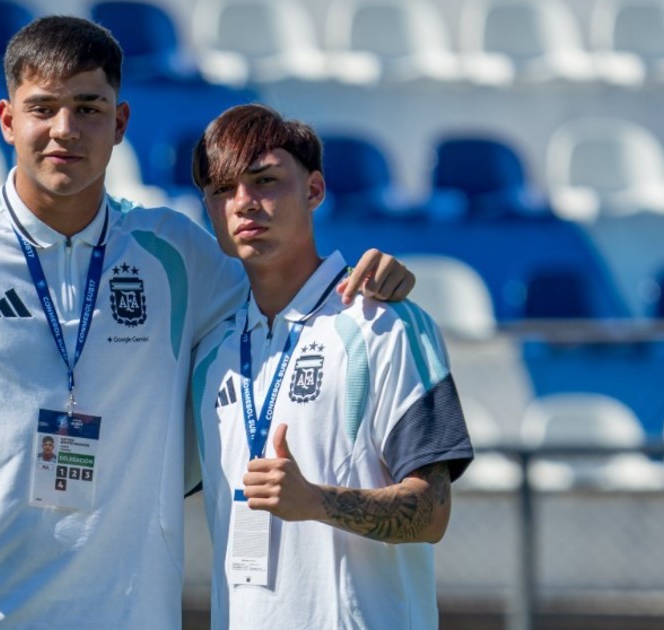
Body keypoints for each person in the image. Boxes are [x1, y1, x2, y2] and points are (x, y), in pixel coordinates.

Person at [0, 16, 414, 628]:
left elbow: (292, 299)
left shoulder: (175, 252)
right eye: (42, 108)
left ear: (120, 123)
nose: (65, 130)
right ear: (7, 120)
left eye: (88, 108)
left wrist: (375, 278)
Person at [188, 104, 474, 629]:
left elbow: (432, 513)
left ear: (314, 189)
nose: (244, 202)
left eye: (265, 180)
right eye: (222, 189)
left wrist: (315, 501)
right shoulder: (209, 352)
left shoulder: (385, 324)